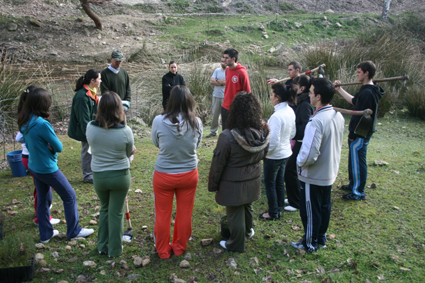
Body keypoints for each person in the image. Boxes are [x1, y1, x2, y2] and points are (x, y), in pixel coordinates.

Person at [18, 87, 94, 243]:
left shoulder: (25, 121)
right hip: (47, 168)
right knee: (70, 196)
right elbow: (59, 147)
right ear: (42, 104)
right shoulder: (42, 124)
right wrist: (50, 147)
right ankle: (74, 230)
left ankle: (45, 234)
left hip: (34, 166)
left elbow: (30, 142)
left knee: (42, 199)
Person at [208, 91, 270, 252]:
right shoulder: (262, 133)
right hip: (253, 181)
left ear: (234, 111)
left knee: (234, 211)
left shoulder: (227, 136)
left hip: (232, 185)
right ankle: (248, 232)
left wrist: (213, 184)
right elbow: (265, 154)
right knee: (247, 206)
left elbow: (217, 164)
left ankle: (235, 244)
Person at [290, 78, 344, 252]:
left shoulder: (316, 121)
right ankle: (320, 238)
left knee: (310, 211)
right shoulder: (338, 116)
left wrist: (298, 163)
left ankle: (310, 243)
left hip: (313, 175)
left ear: (318, 97)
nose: (309, 95)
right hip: (329, 172)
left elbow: (309, 154)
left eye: (311, 92)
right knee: (324, 207)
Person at [151, 85, 202, 259]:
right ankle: (179, 247)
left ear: (170, 100)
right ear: (190, 101)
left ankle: (163, 250)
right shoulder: (197, 122)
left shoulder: (158, 120)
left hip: (164, 174)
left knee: (163, 214)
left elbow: (156, 142)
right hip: (188, 174)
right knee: (185, 212)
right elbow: (197, 144)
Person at [86, 91, 135, 257]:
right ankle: (114, 249)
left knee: (105, 209)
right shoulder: (126, 131)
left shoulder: (90, 127)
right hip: (120, 176)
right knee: (116, 212)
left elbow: (94, 147)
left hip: (99, 176)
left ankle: (102, 246)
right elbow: (129, 154)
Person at [334, 61, 385, 200]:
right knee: (354, 160)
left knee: (358, 161)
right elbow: (355, 101)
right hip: (358, 132)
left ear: (366, 73)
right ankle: (353, 185)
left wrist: (356, 133)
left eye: (359, 72)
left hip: (360, 132)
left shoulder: (368, 92)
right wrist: (339, 89)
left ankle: (358, 192)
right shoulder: (368, 89)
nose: (357, 74)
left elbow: (362, 112)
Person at [15, 86, 59, 226]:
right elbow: (19, 137)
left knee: (42, 189)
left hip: (30, 158)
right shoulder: (33, 120)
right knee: (43, 192)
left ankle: (43, 216)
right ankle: (40, 219)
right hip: (32, 158)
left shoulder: (26, 116)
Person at [260, 84, 296, 220]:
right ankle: (279, 207)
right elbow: (292, 133)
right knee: (279, 182)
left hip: (274, 155)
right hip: (286, 152)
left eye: (271, 94)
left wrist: (264, 153)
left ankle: (273, 212)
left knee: (270, 183)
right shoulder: (290, 111)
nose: (270, 97)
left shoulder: (277, 116)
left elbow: (273, 141)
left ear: (277, 97)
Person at [283, 75, 315, 212]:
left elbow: (305, 127)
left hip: (300, 142)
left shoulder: (305, 105)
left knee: (291, 169)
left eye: (295, 85)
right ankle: (292, 197)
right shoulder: (299, 102)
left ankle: (295, 202)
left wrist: (292, 132)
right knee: (289, 169)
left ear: (302, 88)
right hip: (296, 141)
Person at [68, 69, 101, 184]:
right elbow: (83, 119)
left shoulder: (92, 92)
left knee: (91, 150)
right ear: (92, 80)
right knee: (87, 150)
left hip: (91, 127)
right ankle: (87, 175)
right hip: (85, 129)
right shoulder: (82, 96)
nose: (100, 81)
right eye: (99, 79)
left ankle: (93, 172)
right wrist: (89, 134)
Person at [221, 48, 251, 130]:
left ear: (233, 59)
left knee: (236, 133)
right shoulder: (227, 70)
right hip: (225, 107)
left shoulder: (242, 73)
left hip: (236, 109)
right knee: (225, 132)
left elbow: (247, 92)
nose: (224, 60)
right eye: (224, 57)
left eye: (227, 58)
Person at [206, 57, 226, 138]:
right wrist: (221, 83)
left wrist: (217, 81)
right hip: (216, 96)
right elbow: (211, 81)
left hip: (225, 96)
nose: (223, 63)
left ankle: (225, 132)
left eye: (224, 61)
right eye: (221, 61)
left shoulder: (229, 71)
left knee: (225, 115)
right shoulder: (217, 70)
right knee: (215, 115)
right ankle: (213, 131)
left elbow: (227, 81)